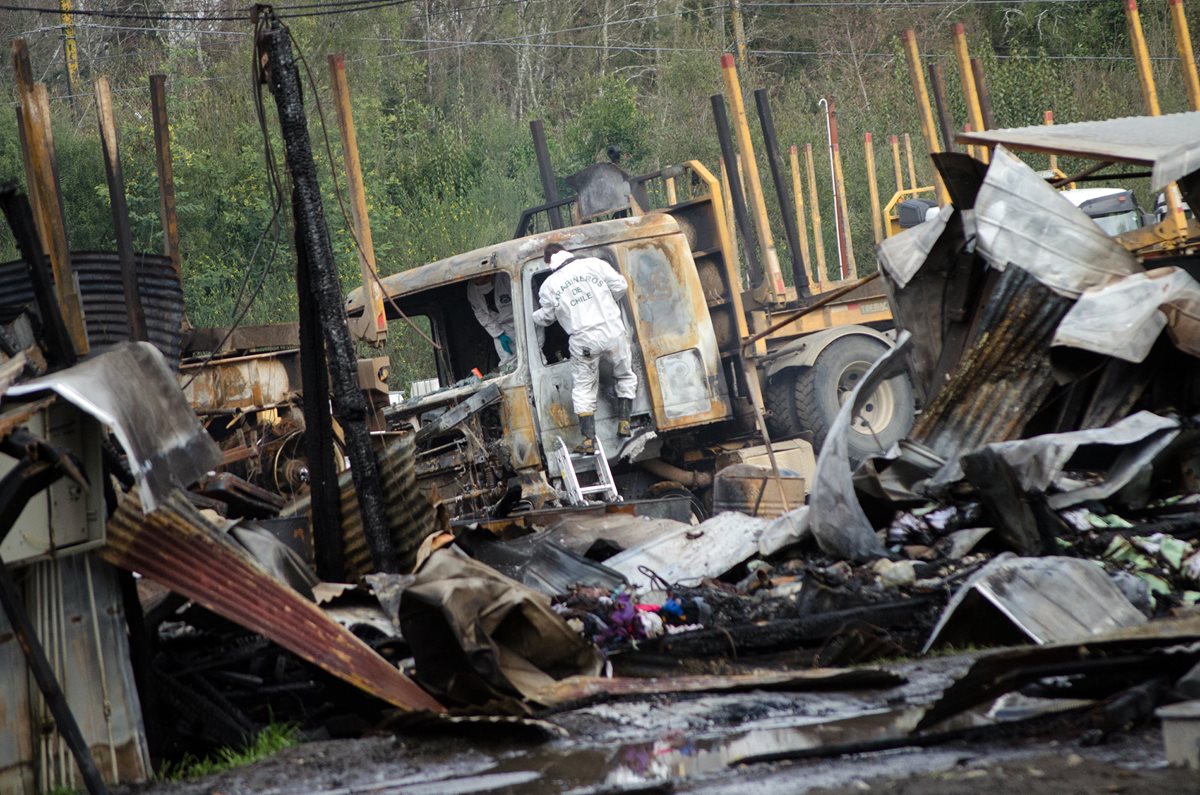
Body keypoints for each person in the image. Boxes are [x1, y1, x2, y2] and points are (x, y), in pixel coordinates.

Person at [533, 243, 637, 453]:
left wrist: (534, 317)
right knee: (625, 374)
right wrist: (605, 303)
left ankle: (589, 440)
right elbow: (620, 286)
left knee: (584, 388)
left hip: (584, 340)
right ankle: (625, 422)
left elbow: (547, 317)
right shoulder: (594, 264)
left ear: (548, 262)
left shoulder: (549, 285)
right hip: (613, 330)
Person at [467, 274, 515, 366]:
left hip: (520, 319)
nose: (480, 282)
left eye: (483, 280)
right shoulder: (472, 289)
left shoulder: (506, 277)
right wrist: (499, 334)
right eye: (477, 280)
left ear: (490, 275)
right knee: (508, 362)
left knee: (534, 352)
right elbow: (480, 313)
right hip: (500, 325)